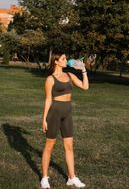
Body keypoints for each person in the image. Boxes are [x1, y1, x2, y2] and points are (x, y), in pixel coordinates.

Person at [40, 50, 89, 189]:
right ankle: (44, 178)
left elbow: (85, 87)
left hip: (67, 112)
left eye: (66, 58)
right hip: (54, 113)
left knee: (69, 146)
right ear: (56, 61)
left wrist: (84, 70)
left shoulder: (69, 75)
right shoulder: (50, 79)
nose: (65, 60)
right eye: (63, 58)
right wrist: (44, 119)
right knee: (49, 146)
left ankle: (71, 177)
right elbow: (48, 99)